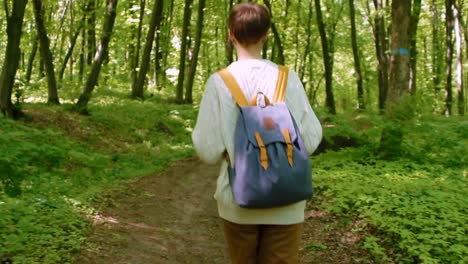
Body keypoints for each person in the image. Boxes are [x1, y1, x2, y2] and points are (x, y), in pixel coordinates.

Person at [192, 2, 322, 263]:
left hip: (239, 201)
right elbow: (311, 139)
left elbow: (207, 150)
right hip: (289, 201)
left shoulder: (220, 82)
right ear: (266, 35)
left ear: (230, 35)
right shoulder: (288, 78)